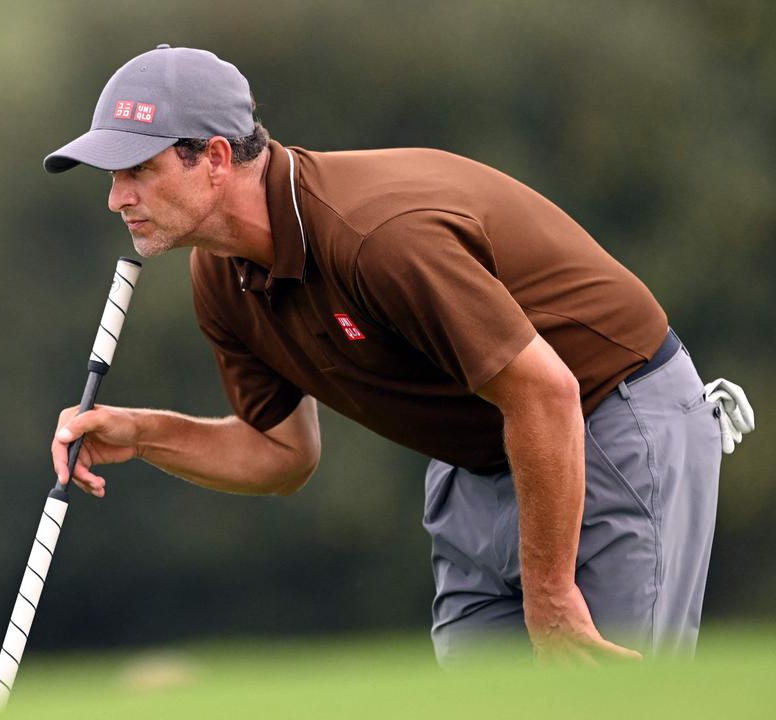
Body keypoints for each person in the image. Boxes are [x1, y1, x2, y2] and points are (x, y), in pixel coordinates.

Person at [41, 44, 755, 666]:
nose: (117, 198)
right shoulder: (220, 277)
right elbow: (281, 455)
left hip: (614, 419)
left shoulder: (375, 236)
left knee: (605, 699)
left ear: (217, 159)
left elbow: (546, 393)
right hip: (485, 451)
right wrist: (139, 433)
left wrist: (551, 596)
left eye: (136, 169)